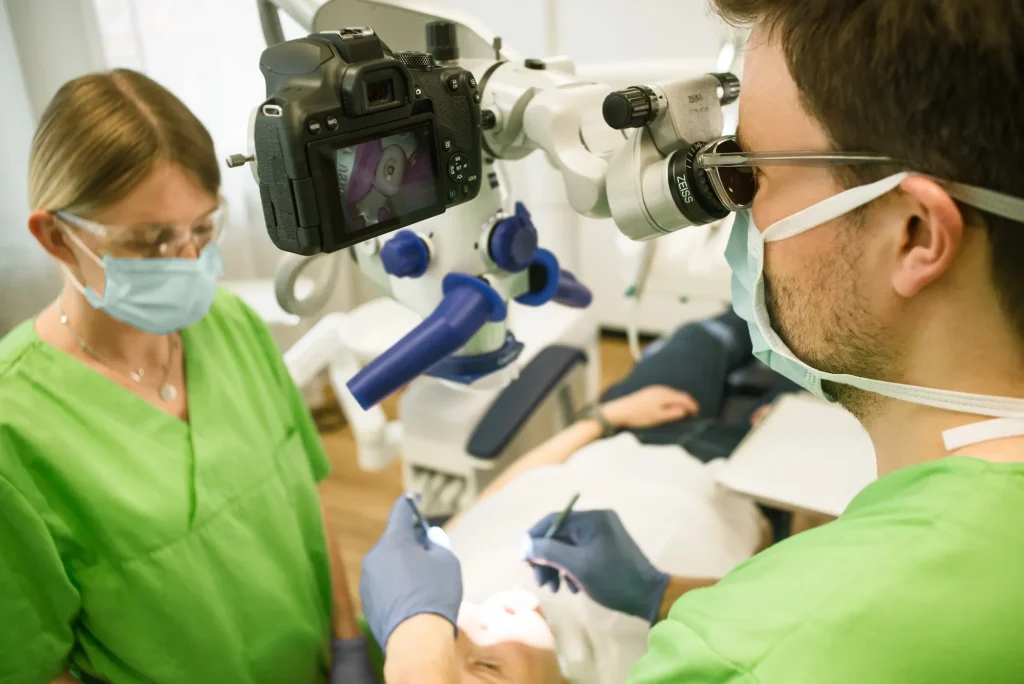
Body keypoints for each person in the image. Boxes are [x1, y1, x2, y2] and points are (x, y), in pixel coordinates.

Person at [359, 1, 1024, 682]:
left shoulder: (749, 654)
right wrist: (663, 595)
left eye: (747, 174)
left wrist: (416, 648)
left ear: (913, 233)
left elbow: (782, 639)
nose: (729, 212)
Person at [0, 69, 373, 683]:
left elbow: (306, 499)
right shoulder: (17, 429)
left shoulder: (229, 325)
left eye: (201, 229)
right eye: (149, 243)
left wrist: (348, 645)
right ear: (58, 238)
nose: (188, 261)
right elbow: (37, 664)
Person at [362, 313, 798, 683]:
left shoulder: (435, 591)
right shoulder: (645, 665)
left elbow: (503, 493)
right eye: (490, 668)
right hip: (740, 479)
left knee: (716, 330)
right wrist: (788, 499)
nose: (470, 627)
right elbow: (777, 596)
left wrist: (603, 419)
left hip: (628, 430)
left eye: (444, 639)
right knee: (807, 362)